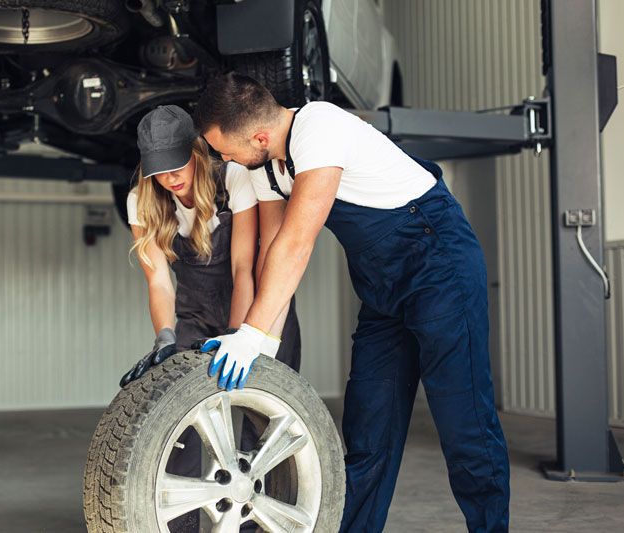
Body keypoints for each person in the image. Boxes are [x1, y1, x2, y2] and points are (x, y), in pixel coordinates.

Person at [193, 74, 510, 532]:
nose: (222, 161)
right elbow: (271, 253)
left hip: (437, 265)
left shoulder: (319, 127)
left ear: (259, 137)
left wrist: (249, 333)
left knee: (464, 424)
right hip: (383, 290)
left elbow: (298, 243)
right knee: (368, 432)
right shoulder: (261, 166)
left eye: (225, 150)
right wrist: (262, 342)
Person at [119, 104, 301, 531]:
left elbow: (244, 267)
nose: (170, 178)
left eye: (178, 164)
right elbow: (160, 281)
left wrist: (242, 338)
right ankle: (176, 524)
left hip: (253, 308)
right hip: (193, 315)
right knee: (177, 421)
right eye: (159, 170)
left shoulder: (232, 179)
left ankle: (257, 525)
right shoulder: (140, 201)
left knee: (262, 424)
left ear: (196, 151)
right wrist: (165, 337)